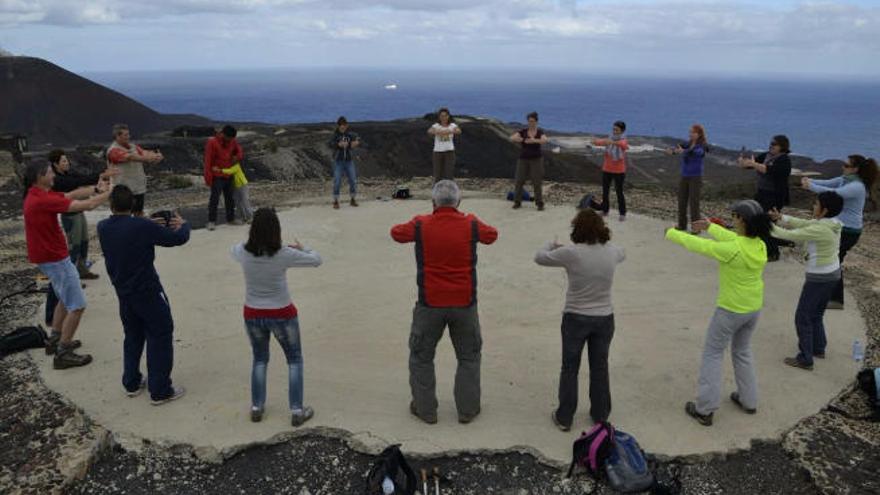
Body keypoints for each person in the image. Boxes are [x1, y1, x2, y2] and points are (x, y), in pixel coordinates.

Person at [390, 180, 498, 424]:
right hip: (464, 304)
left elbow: (396, 233)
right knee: (469, 357)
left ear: (433, 202)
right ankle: (467, 410)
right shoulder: (470, 223)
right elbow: (492, 235)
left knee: (421, 357)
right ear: (458, 202)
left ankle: (425, 410)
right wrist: (470, 218)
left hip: (430, 303)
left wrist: (421, 220)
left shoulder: (421, 224)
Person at [665, 200, 770, 426]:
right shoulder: (758, 244)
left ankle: (705, 409)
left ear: (741, 220)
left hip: (730, 310)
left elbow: (700, 247)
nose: (732, 219)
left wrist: (672, 233)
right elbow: (732, 238)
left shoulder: (733, 250)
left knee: (712, 354)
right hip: (753, 308)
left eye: (734, 215)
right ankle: (749, 400)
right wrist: (710, 227)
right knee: (742, 351)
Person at [97, 185, 190, 405]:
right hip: (147, 290)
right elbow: (176, 239)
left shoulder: (103, 227)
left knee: (133, 335)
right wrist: (185, 226)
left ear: (111, 205)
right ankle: (160, 390)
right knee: (161, 333)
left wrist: (145, 223)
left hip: (124, 293)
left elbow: (128, 229)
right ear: (133, 205)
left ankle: (131, 382)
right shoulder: (141, 227)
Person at [534, 209, 625, 431]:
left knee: (570, 368)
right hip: (604, 318)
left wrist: (551, 244)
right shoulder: (612, 252)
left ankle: (565, 417)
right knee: (599, 367)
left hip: (576, 317)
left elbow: (539, 257)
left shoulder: (571, 253)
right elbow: (622, 252)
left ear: (577, 229)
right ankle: (600, 414)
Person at [231, 208, 322, 425]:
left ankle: (257, 406)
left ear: (252, 230)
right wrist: (304, 248)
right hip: (282, 313)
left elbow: (232, 250)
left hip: (252, 313)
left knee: (260, 359)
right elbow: (317, 260)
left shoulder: (242, 251)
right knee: (294, 360)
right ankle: (297, 410)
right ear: (276, 230)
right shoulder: (284, 253)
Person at [22, 161, 110, 368]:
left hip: (49, 257)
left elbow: (70, 195)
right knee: (78, 306)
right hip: (55, 258)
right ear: (39, 177)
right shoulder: (41, 200)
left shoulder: (36, 194)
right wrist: (108, 195)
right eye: (50, 172)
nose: (54, 175)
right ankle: (63, 353)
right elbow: (86, 205)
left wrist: (96, 189)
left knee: (64, 297)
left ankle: (56, 339)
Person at [768, 192, 844, 370]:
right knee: (816, 314)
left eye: (816, 204)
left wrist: (764, 226)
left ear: (824, 210)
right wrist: (781, 217)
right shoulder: (833, 222)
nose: (813, 207)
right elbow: (804, 223)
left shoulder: (821, 228)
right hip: (832, 274)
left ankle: (805, 358)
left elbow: (789, 235)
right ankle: (818, 348)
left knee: (802, 316)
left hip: (819, 278)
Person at [43, 149, 118, 326]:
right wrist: (100, 181)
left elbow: (82, 180)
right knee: (73, 250)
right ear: (54, 165)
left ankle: (81, 271)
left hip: (78, 212)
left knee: (83, 244)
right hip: (69, 217)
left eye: (66, 161)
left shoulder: (67, 174)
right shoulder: (59, 180)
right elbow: (76, 184)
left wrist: (99, 178)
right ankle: (53, 313)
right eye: (63, 161)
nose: (66, 163)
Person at [802, 155, 878, 310]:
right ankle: (831, 296)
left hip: (849, 231)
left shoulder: (857, 186)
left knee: (834, 262)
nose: (843, 167)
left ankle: (836, 299)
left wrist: (809, 186)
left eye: (846, 165)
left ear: (855, 169)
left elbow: (834, 193)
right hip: (840, 228)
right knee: (833, 260)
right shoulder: (845, 179)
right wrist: (810, 181)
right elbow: (826, 183)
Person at [738, 135, 792, 261]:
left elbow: (770, 170)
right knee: (756, 220)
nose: (771, 145)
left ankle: (773, 252)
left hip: (774, 196)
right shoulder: (766, 155)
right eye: (771, 143)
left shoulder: (784, 160)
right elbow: (752, 164)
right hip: (762, 193)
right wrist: (743, 163)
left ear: (782, 147)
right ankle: (761, 248)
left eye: (774, 144)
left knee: (767, 223)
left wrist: (753, 164)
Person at [107, 123, 164, 216]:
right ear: (117, 136)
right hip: (122, 190)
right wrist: (147, 158)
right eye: (125, 135)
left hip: (138, 188)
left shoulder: (133, 146)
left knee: (139, 213)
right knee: (123, 215)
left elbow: (144, 153)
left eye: (128, 134)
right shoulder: (113, 150)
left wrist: (156, 157)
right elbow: (130, 157)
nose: (128, 137)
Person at [668, 125, 709, 231]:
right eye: (690, 132)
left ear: (699, 134)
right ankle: (682, 225)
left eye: (693, 132)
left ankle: (696, 228)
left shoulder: (702, 145)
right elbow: (679, 148)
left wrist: (684, 151)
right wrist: (672, 151)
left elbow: (698, 153)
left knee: (694, 203)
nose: (691, 134)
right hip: (684, 176)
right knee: (682, 201)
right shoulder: (688, 143)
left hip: (695, 177)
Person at [204, 125, 243, 230]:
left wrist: (237, 156)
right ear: (223, 134)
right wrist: (208, 177)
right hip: (217, 175)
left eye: (232, 139)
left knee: (230, 198)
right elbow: (208, 160)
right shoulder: (212, 142)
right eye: (229, 138)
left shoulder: (232, 141)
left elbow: (239, 150)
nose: (231, 141)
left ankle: (231, 219)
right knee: (215, 198)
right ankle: (211, 221)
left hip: (228, 173)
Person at [510, 111, 550, 211]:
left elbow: (545, 140)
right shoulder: (523, 131)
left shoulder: (540, 132)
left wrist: (534, 141)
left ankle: (539, 203)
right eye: (529, 121)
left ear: (536, 122)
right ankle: (517, 202)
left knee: (537, 182)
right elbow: (512, 137)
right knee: (519, 180)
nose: (530, 123)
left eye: (532, 121)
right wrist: (522, 139)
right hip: (523, 159)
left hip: (536, 160)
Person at [591, 121, 629, 221]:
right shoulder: (610, 138)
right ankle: (605, 210)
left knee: (619, 192)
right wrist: (594, 141)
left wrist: (612, 142)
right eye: (613, 129)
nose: (614, 131)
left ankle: (622, 213)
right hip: (607, 169)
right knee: (605, 191)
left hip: (619, 171)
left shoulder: (623, 139)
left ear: (622, 131)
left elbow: (623, 145)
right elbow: (601, 142)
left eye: (617, 130)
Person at [328, 116, 360, 209]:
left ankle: (353, 199)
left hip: (349, 161)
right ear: (338, 126)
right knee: (337, 181)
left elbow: (357, 139)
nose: (342, 127)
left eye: (344, 125)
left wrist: (356, 142)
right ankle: (336, 201)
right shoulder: (335, 136)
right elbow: (330, 144)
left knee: (353, 180)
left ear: (346, 126)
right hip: (338, 162)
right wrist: (338, 144)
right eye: (341, 125)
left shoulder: (349, 135)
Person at [428, 108, 461, 182]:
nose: (443, 118)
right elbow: (430, 131)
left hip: (449, 151)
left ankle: (449, 190)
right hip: (437, 152)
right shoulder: (436, 125)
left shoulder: (452, 125)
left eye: (445, 116)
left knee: (449, 172)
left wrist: (449, 131)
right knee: (438, 173)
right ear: (439, 117)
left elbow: (458, 131)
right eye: (442, 116)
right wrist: (439, 132)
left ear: (448, 116)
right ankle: (437, 190)